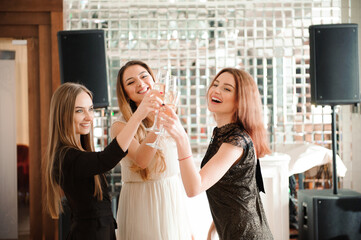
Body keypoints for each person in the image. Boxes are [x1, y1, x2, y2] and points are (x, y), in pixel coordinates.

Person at [160, 68, 274, 240]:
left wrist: (182, 139)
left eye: (227, 88)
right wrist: (215, 228)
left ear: (240, 101)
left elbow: (193, 188)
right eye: (215, 84)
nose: (216, 90)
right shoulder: (223, 135)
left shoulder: (236, 142)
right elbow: (233, 194)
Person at [44, 82, 162, 240]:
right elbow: (106, 159)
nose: (89, 117)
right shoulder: (65, 157)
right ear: (63, 114)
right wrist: (138, 115)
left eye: (91, 109)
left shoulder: (80, 152)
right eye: (79, 111)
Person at [112, 60, 192, 240]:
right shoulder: (119, 125)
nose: (140, 83)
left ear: (153, 80)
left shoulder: (168, 113)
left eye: (144, 76)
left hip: (171, 197)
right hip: (141, 202)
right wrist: (157, 124)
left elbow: (180, 160)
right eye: (131, 82)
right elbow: (141, 160)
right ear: (125, 93)